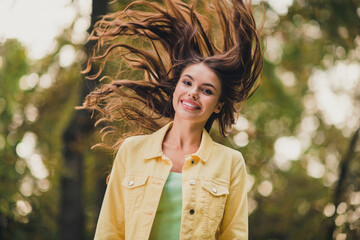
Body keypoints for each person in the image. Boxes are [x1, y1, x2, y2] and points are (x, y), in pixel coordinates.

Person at [79, 0, 263, 239]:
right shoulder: (132, 151)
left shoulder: (230, 163)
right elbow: (109, 231)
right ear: (175, 88)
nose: (193, 93)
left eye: (206, 90)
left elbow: (234, 236)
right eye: (187, 82)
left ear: (218, 105)